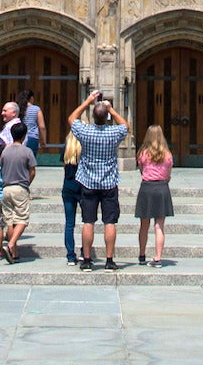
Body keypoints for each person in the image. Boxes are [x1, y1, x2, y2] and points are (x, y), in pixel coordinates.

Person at [67, 90, 130, 271]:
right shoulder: (113, 133)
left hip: (88, 182)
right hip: (109, 183)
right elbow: (126, 126)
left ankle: (87, 260)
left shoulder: (86, 132)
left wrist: (87, 102)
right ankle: (109, 260)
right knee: (109, 222)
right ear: (106, 117)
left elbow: (72, 119)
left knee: (88, 221)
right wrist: (112, 110)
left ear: (93, 117)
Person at [135, 124, 176, 266]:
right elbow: (169, 173)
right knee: (159, 226)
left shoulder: (143, 153)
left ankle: (142, 255)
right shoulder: (167, 154)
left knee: (144, 225)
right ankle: (158, 257)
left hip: (147, 188)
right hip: (162, 188)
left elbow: (141, 169)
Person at [0, 120, 36, 264]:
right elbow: (32, 171)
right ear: (24, 135)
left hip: (6, 188)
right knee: (22, 220)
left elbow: (1, 169)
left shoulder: (5, 151)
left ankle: (14, 254)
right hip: (20, 187)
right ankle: (11, 244)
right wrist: (27, 182)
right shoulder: (27, 151)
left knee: (10, 221)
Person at [60, 131, 83, 263]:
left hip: (68, 186)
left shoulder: (66, 149)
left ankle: (70, 255)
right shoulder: (84, 149)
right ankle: (85, 253)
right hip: (82, 185)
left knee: (69, 223)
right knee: (87, 221)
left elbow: (64, 166)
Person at [19, 89, 45, 157]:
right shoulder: (36, 109)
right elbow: (42, 126)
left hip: (20, 137)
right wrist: (43, 140)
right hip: (32, 137)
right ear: (31, 98)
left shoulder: (19, 108)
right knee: (31, 160)